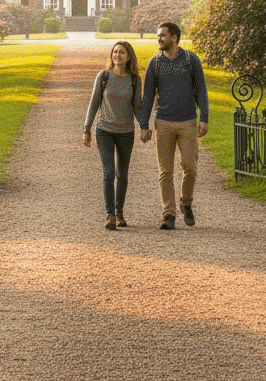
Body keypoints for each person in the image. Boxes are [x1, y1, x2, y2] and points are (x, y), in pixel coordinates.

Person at [139, 21, 209, 230]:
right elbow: (148, 96)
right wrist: (144, 124)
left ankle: (186, 203)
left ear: (175, 38)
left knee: (190, 167)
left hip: (188, 121)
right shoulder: (155, 63)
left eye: (163, 35)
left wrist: (204, 118)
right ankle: (168, 214)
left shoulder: (190, 60)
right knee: (165, 171)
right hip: (164, 122)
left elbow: (201, 91)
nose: (159, 39)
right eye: (158, 35)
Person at [84, 41, 143, 230]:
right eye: (115, 52)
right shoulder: (103, 76)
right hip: (105, 131)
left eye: (122, 52)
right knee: (109, 172)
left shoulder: (134, 79)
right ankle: (110, 214)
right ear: (111, 55)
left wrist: (144, 126)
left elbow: (137, 106)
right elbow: (94, 103)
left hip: (126, 131)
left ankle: (119, 211)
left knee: (122, 174)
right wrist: (87, 129)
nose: (117, 55)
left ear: (128, 56)